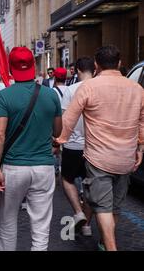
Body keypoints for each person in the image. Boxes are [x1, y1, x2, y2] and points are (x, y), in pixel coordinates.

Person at [57, 45, 144, 251]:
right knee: (115, 205)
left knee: (103, 207)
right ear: (120, 63)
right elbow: (142, 121)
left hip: (100, 158)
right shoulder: (137, 89)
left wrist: (61, 139)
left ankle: (111, 247)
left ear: (96, 65)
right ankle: (105, 243)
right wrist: (140, 147)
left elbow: (69, 118)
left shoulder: (89, 87)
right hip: (126, 158)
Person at [0, 47, 62, 251]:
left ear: (12, 69)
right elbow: (57, 131)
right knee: (41, 228)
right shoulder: (51, 95)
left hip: (13, 167)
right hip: (43, 167)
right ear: (33, 66)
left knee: (7, 222)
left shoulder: (4, 96)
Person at [58, 57, 95, 237]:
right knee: (89, 184)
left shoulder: (71, 90)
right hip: (94, 145)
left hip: (73, 144)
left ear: (78, 70)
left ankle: (78, 212)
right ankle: (87, 225)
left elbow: (66, 118)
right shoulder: (100, 87)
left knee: (67, 179)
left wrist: (58, 141)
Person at [52, 68, 71, 176]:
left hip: (56, 123)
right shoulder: (70, 89)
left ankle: (55, 169)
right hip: (69, 123)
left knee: (55, 148)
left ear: (55, 77)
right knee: (65, 149)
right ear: (66, 78)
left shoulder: (52, 91)